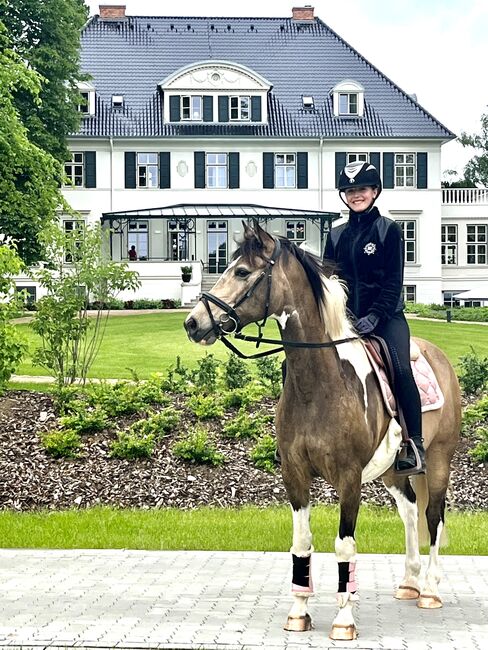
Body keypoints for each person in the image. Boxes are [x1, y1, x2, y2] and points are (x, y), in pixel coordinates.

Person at [324, 161, 425, 475]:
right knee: (298, 361)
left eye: (362, 189)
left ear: (375, 192)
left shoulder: (389, 230)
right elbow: (329, 279)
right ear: (344, 195)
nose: (356, 195)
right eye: (350, 190)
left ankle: (414, 444)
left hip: (385, 318)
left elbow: (394, 281)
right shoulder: (337, 234)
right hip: (346, 321)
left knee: (400, 368)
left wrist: (375, 315)